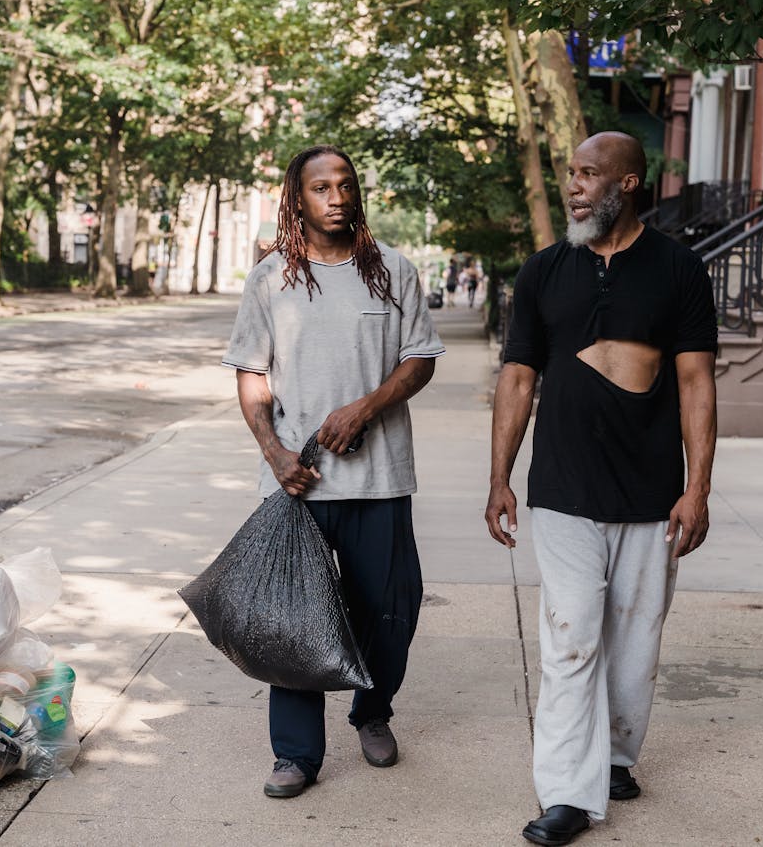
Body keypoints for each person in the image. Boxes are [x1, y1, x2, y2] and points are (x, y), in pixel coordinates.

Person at [485, 131, 717, 845]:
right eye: (571, 174)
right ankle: (567, 792)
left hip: (651, 496)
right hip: (561, 491)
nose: (575, 186)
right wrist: (499, 476)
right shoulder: (543, 272)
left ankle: (615, 757)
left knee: (636, 643)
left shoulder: (678, 270)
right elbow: (519, 378)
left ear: (630, 184)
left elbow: (695, 382)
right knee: (571, 641)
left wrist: (698, 487)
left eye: (590, 174)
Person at [222, 144, 445, 800]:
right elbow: (251, 372)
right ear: (298, 199)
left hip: (380, 478)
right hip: (300, 482)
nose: (337, 196)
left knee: (392, 609)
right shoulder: (270, 280)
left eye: (345, 184)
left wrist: (367, 406)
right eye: (322, 187)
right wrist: (275, 453)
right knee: (295, 618)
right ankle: (295, 752)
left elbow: (421, 357)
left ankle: (372, 711)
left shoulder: (392, 271)